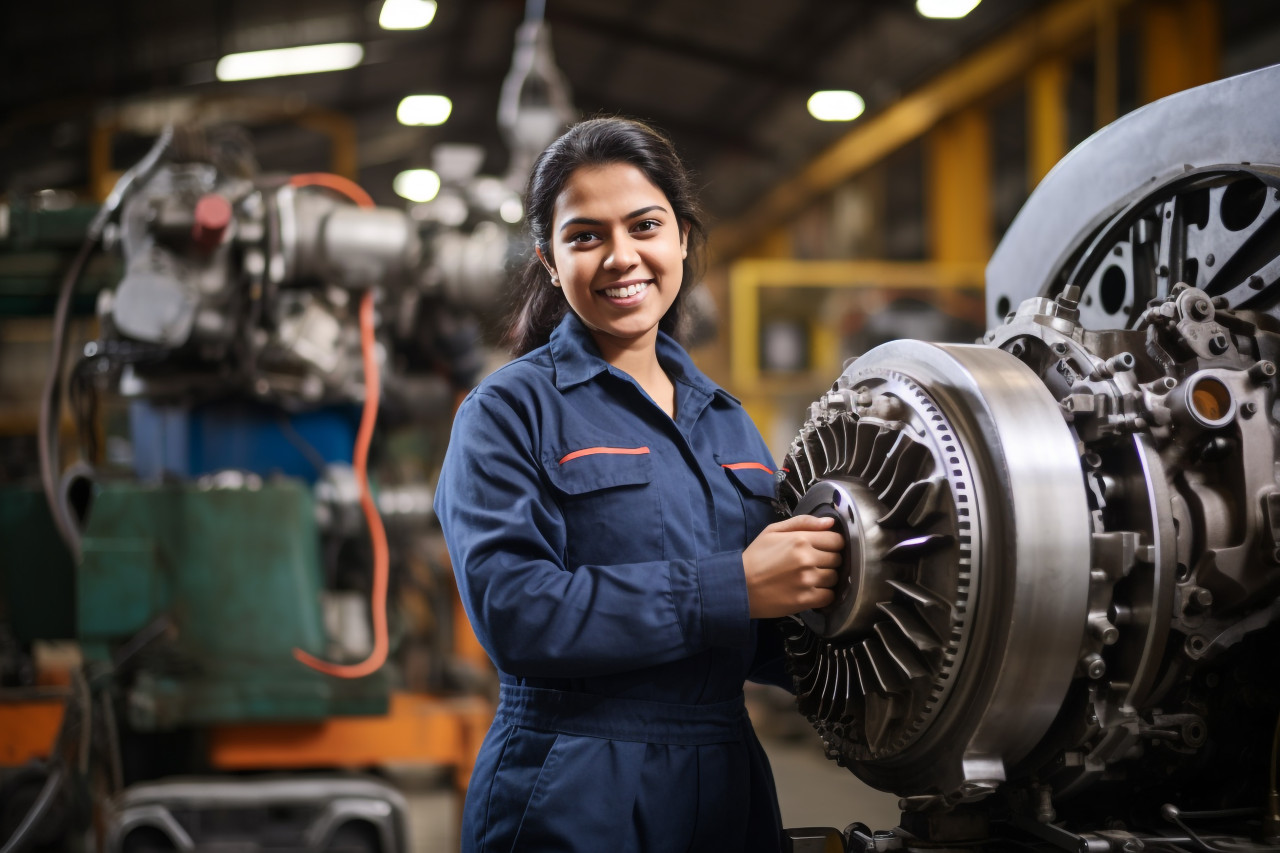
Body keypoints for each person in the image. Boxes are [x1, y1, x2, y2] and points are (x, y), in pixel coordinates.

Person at [433, 116, 844, 853]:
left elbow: (770, 629)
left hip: (727, 782)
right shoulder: (506, 412)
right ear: (550, 262)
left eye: (645, 225)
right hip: (574, 784)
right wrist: (734, 588)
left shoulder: (727, 422)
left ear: (682, 237)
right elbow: (516, 613)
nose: (621, 257)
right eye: (585, 235)